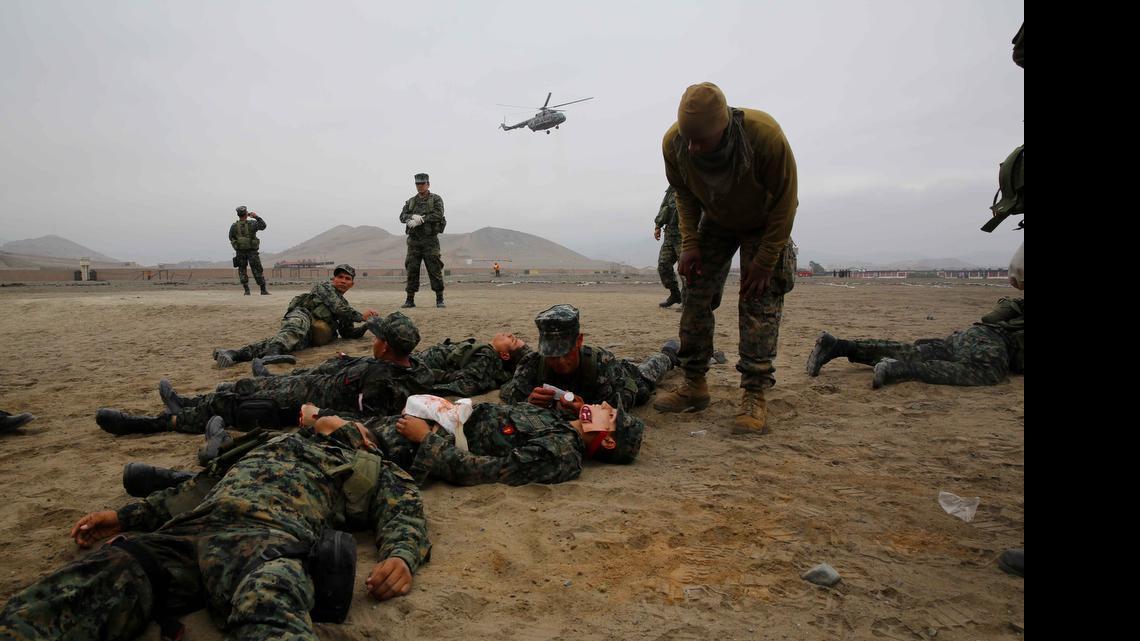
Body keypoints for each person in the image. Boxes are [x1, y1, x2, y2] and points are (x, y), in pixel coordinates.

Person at [0, 418, 431, 640]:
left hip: (270, 544)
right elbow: (198, 488)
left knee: (271, 606)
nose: (331, 419)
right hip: (190, 532)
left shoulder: (371, 467)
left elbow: (405, 511)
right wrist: (125, 517)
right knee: (111, 568)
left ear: (365, 439)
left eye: (346, 423)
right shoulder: (268, 442)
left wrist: (400, 556)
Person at [654, 81, 799, 436]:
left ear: (723, 127)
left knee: (758, 298)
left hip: (763, 223)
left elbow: (785, 201)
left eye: (701, 140)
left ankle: (754, 394)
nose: (693, 146)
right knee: (695, 292)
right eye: (688, 138)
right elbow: (684, 194)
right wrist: (690, 243)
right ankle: (694, 384)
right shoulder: (675, 144)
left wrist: (766, 261)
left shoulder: (764, 136)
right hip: (715, 221)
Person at [98, 312, 433, 436]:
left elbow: (364, 422)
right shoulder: (405, 367)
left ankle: (155, 423)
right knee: (243, 384)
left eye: (377, 338)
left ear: (387, 347)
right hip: (306, 384)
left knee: (236, 400)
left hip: (304, 400)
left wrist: (320, 416)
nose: (372, 341)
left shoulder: (383, 381)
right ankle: (186, 403)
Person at [500, 304, 678, 454]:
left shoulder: (601, 364)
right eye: (552, 355)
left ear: (579, 341)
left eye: (565, 352)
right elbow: (511, 403)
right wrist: (529, 403)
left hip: (626, 377)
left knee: (645, 379)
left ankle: (669, 354)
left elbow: (620, 408)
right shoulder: (531, 364)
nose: (560, 362)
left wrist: (586, 410)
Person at [806, 297, 1024, 388]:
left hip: (971, 334)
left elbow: (989, 318)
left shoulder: (1016, 304)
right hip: (996, 344)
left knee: (914, 351)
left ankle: (839, 346)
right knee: (984, 373)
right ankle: (896, 370)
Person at [253, 332, 531, 399]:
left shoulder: (486, 358)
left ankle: (272, 381)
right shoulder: (488, 358)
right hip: (411, 365)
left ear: (505, 356)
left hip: (409, 369)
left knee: (346, 366)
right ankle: (281, 377)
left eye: (513, 340)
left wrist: (420, 384)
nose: (510, 335)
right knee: (346, 365)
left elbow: (464, 385)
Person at [213, 264, 378, 368]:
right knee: (295, 328)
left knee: (285, 342)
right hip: (302, 315)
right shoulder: (323, 287)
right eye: (339, 277)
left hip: (311, 334)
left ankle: (233, 354)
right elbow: (339, 308)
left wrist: (366, 325)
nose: (342, 280)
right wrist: (361, 316)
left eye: (347, 278)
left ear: (352, 283)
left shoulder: (346, 306)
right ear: (333, 279)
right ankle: (272, 354)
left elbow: (348, 332)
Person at [399, 173, 447, 309]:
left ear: (428, 184)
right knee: (412, 269)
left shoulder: (436, 199)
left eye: (422, 184)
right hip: (414, 242)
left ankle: (439, 298)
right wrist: (410, 217)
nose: (420, 186)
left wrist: (422, 219)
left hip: (430, 241)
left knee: (434, 269)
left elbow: (439, 214)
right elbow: (402, 216)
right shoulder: (411, 201)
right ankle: (410, 299)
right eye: (417, 184)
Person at [654, 185, 685, 308]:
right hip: (670, 233)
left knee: (685, 269)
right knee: (663, 265)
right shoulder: (672, 187)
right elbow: (664, 206)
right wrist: (658, 225)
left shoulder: (694, 183)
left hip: (686, 234)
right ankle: (675, 295)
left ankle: (689, 300)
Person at [229, 205, 269, 295]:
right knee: (257, 269)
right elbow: (263, 226)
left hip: (240, 251)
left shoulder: (234, 226)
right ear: (246, 214)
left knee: (242, 270)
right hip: (252, 251)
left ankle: (246, 291)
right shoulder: (252, 223)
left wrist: (237, 244)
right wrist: (256, 216)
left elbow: (230, 237)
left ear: (238, 215)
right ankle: (263, 290)